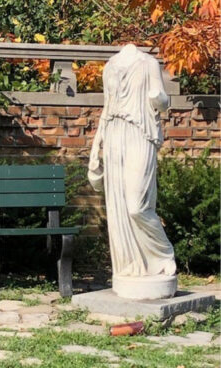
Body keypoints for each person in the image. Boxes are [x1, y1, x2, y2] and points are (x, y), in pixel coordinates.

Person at [88, 44, 176, 282]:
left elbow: (164, 103)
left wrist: (158, 98)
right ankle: (131, 264)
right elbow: (107, 109)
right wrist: (96, 145)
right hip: (115, 134)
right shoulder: (111, 66)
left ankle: (164, 253)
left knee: (137, 206)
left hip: (140, 133)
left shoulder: (148, 63)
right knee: (118, 206)